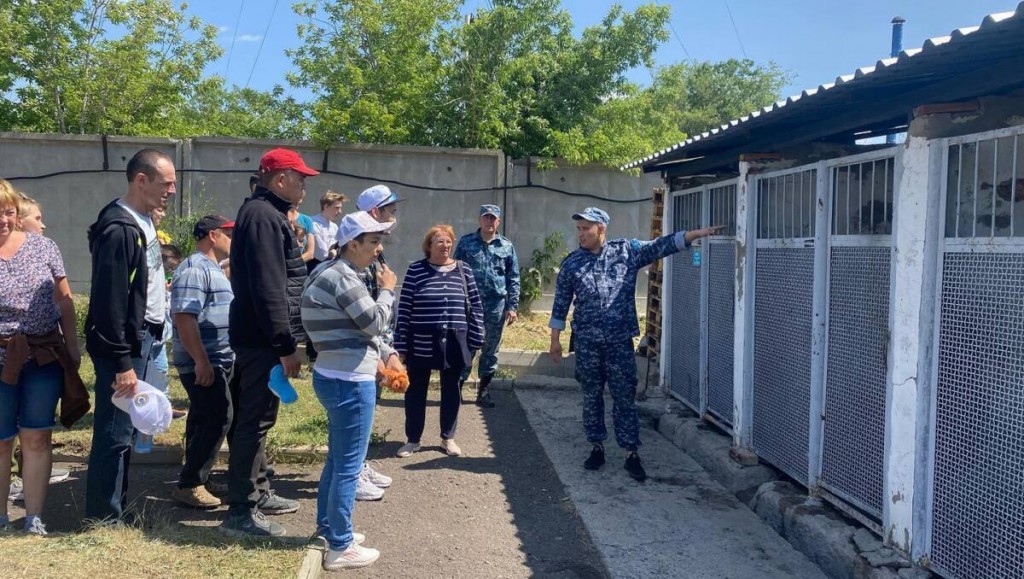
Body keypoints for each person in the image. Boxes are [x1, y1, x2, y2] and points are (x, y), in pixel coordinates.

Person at [548, 207, 720, 482]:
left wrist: (693, 235)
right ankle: (596, 447)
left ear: (601, 229)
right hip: (588, 343)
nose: (580, 234)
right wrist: (555, 340)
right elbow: (560, 303)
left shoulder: (626, 251)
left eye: (586, 229)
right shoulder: (572, 264)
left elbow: (660, 246)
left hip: (618, 344)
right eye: (578, 229)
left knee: (624, 398)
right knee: (591, 396)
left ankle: (630, 452)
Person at [221, 147, 317, 538]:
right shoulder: (262, 216)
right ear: (280, 180)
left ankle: (258, 493)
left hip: (262, 338)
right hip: (263, 341)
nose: (305, 186)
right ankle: (241, 511)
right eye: (301, 178)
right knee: (253, 421)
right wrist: (285, 344)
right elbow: (269, 288)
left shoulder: (266, 214)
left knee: (261, 418)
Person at [301, 211, 399, 570]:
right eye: (373, 242)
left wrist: (384, 351)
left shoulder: (328, 272)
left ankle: (328, 528)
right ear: (352, 243)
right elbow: (374, 321)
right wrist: (388, 289)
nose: (379, 249)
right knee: (348, 465)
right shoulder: (345, 278)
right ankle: (340, 546)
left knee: (338, 460)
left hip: (332, 373)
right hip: (349, 380)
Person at [84, 149, 176, 523]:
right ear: (141, 180)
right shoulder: (119, 230)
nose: (171, 189)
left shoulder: (144, 221)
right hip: (124, 345)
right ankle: (103, 519)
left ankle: (117, 510)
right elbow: (110, 302)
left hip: (145, 338)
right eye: (165, 182)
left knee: (126, 429)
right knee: (114, 433)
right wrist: (122, 362)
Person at [0, 180, 83, 535]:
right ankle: (1, 517)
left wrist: (73, 343)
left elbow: (64, 299)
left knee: (37, 436)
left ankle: (33, 516)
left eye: (8, 211)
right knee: (1, 440)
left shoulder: (44, 246)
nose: (4, 219)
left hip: (43, 356)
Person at [394, 225, 484, 459]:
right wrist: (400, 345)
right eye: (439, 241)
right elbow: (403, 310)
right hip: (421, 341)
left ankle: (448, 438)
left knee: (451, 389)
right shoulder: (416, 270)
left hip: (454, 341)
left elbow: (475, 306)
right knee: (415, 391)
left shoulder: (464, 271)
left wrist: (476, 338)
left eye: (448, 241)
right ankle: (413, 440)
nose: (445, 246)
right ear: (429, 246)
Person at [170, 215, 235, 509]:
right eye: (229, 234)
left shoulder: (214, 269)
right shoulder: (195, 269)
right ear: (213, 235)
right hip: (205, 360)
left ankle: (199, 477)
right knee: (218, 416)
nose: (233, 241)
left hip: (216, 358)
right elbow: (185, 316)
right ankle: (190, 483)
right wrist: (201, 361)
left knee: (203, 417)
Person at [350, 185, 404, 499]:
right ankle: (352, 472)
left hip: (376, 343)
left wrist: (387, 349)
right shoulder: (356, 255)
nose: (393, 216)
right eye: (389, 210)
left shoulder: (376, 251)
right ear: (374, 213)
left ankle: (359, 463)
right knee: (356, 414)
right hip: (360, 348)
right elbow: (365, 311)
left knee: (368, 411)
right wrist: (380, 352)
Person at [454, 204, 521, 408]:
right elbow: (456, 271)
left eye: (493, 218)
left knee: (490, 349)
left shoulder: (506, 246)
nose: (489, 221)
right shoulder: (466, 243)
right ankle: (457, 388)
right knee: (466, 347)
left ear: (498, 222)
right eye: (486, 217)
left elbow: (513, 277)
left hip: (496, 306)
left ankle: (483, 391)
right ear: (480, 220)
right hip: (470, 306)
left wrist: (513, 306)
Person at [309, 190, 346, 272]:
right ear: (326, 206)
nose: (340, 212)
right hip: (315, 268)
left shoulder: (334, 226)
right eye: (337, 208)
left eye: (340, 208)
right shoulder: (313, 224)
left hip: (331, 267)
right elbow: (323, 254)